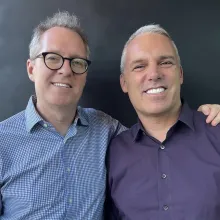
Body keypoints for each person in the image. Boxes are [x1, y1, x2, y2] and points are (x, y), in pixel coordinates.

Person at [0, 12, 219, 220]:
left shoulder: (106, 130)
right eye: (53, 58)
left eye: (77, 62)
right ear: (31, 69)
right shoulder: (3, 142)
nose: (66, 71)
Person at [106, 24, 220, 220]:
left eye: (165, 62)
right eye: (140, 66)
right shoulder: (113, 151)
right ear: (124, 83)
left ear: (180, 75)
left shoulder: (216, 132)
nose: (154, 74)